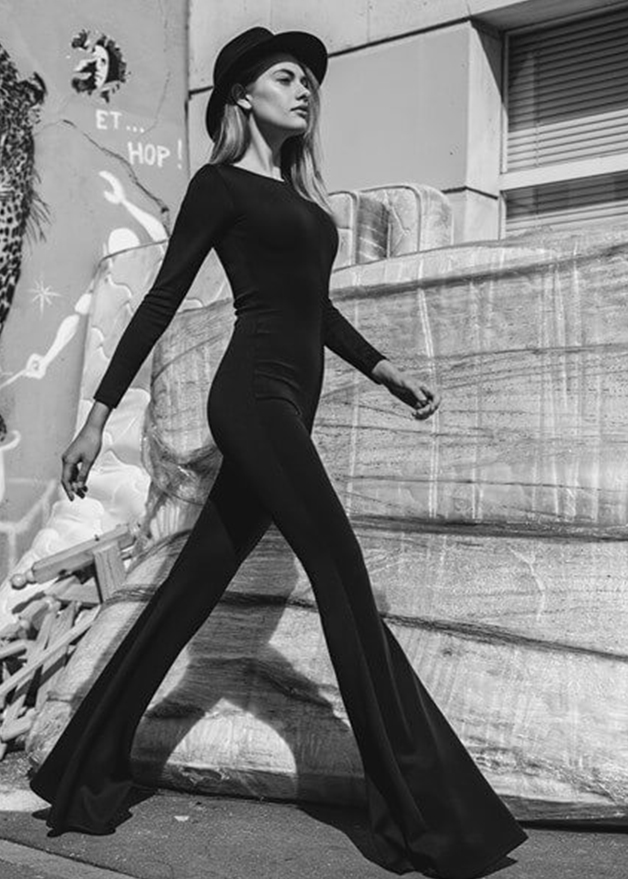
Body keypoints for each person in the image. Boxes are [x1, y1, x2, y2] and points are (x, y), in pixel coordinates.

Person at [28, 25, 528, 879]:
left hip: (288, 398)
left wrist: (384, 370)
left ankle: (83, 770)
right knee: (342, 570)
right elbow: (162, 299)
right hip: (254, 399)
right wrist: (96, 417)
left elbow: (312, 308)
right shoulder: (220, 185)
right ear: (242, 94)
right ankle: (431, 813)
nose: (305, 90)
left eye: (308, 82)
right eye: (287, 77)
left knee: (187, 594)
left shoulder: (298, 196)